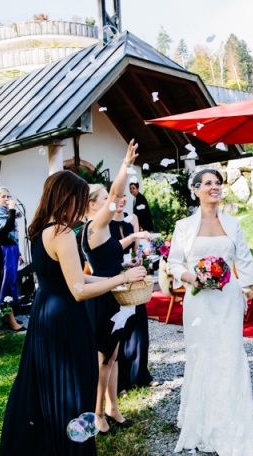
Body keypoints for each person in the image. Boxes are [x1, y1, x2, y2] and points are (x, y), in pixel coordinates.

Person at [0, 170, 147, 456]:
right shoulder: (62, 231)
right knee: (74, 395)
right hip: (65, 319)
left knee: (53, 393)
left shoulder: (40, 230)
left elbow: (72, 279)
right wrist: (119, 279)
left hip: (45, 314)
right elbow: (78, 290)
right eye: (79, 199)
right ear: (68, 197)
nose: (82, 207)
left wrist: (119, 278)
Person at [167, 168, 253, 456]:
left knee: (229, 354)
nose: (215, 187)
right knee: (202, 355)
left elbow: (244, 258)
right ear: (196, 190)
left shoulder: (232, 224)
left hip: (228, 299)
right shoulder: (183, 226)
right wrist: (192, 278)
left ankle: (230, 424)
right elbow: (173, 264)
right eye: (208, 183)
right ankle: (201, 422)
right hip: (198, 304)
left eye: (218, 183)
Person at [82, 141, 153, 435]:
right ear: (92, 205)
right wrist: (126, 164)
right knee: (103, 360)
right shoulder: (94, 228)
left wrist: (130, 252)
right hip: (103, 297)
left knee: (112, 357)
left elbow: (111, 255)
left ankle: (112, 407)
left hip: (117, 295)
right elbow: (116, 192)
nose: (113, 200)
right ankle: (97, 412)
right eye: (105, 198)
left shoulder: (105, 232)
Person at [108, 190, 155, 391]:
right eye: (116, 196)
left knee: (139, 324)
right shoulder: (103, 224)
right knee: (121, 328)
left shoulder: (132, 219)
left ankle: (141, 373)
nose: (122, 200)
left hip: (133, 275)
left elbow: (136, 249)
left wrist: (142, 255)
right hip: (114, 277)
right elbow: (109, 251)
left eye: (124, 196)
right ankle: (121, 380)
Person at [0, 187, 25, 333]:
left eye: (8, 196)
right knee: (2, 285)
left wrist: (19, 253)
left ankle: (7, 317)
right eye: (3, 197)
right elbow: (7, 228)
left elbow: (12, 236)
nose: (7, 199)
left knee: (10, 283)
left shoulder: (5, 212)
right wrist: (12, 210)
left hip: (9, 251)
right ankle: (8, 321)